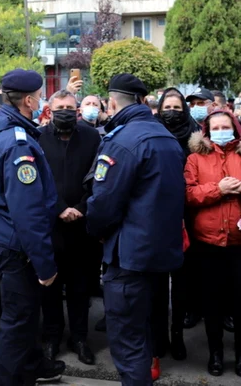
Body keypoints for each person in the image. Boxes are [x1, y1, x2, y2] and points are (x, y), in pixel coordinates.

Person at [86, 73, 185, 385]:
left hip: (128, 255)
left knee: (128, 339)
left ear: (112, 102)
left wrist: (97, 229)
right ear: (143, 101)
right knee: (144, 329)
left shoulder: (122, 141)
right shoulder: (165, 137)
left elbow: (103, 203)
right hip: (159, 253)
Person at [0, 69, 66, 385]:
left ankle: (31, 367)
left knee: (26, 317)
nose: (41, 100)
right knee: (18, 321)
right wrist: (44, 265)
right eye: (40, 95)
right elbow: (27, 211)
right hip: (17, 245)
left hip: (6, 239)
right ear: (29, 100)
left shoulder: (5, 131)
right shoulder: (18, 144)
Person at [185, 110, 241, 378]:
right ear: (207, 131)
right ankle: (215, 353)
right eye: (215, 127)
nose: (220, 130)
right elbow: (189, 193)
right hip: (207, 240)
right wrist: (219, 189)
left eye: (225, 126)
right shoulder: (195, 158)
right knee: (211, 302)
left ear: (236, 129)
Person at [38, 90, 101, 366]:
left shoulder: (91, 137)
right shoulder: (38, 138)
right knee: (50, 287)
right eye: (59, 106)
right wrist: (60, 207)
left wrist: (82, 208)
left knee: (80, 288)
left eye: (69, 107)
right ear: (50, 111)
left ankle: (79, 338)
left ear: (77, 110)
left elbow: (98, 177)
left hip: (82, 227)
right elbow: (38, 180)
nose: (65, 110)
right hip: (51, 226)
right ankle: (51, 337)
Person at [150, 87, 200, 371]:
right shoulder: (151, 133)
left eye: (177, 108)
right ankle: (158, 340)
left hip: (188, 215)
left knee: (182, 283)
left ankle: (177, 334)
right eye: (167, 106)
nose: (172, 112)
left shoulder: (195, 136)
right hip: (157, 218)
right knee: (157, 285)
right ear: (159, 108)